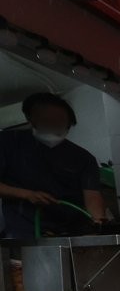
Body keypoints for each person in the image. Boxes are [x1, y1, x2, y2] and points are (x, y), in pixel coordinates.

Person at [0, 93, 105, 239]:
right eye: (47, 122)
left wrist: (99, 226)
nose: (53, 128)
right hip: (24, 234)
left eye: (59, 124)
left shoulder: (83, 158)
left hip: (72, 232)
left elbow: (92, 196)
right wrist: (27, 195)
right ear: (31, 119)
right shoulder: (8, 143)